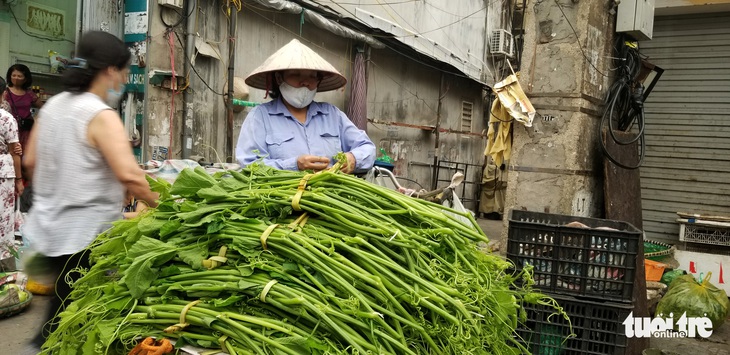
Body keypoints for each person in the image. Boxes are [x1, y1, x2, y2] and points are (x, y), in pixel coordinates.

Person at [22, 31, 159, 350]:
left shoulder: (53, 105)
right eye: (124, 71)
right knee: (74, 322)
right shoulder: (100, 114)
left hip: (51, 229)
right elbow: (132, 175)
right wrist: (170, 207)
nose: (124, 79)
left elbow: (30, 161)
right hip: (86, 236)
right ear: (110, 70)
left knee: (61, 313)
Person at [235, 39, 375, 174]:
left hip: (330, 196)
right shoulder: (260, 117)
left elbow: (367, 148)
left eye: (312, 76)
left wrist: (353, 159)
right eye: (296, 75)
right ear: (279, 78)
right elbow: (249, 165)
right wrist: (294, 165)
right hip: (283, 197)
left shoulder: (332, 115)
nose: (305, 82)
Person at [0, 76, 23, 264]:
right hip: (3, 173)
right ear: (4, 94)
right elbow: (15, 152)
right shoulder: (6, 119)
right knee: (3, 220)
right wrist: (19, 180)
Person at [3, 64, 42, 152]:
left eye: (19, 76)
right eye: (13, 75)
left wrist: (37, 119)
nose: (16, 78)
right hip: (10, 130)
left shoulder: (29, 94)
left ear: (25, 78)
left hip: (26, 130)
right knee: (12, 153)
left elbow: (43, 107)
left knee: (25, 154)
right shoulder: (5, 93)